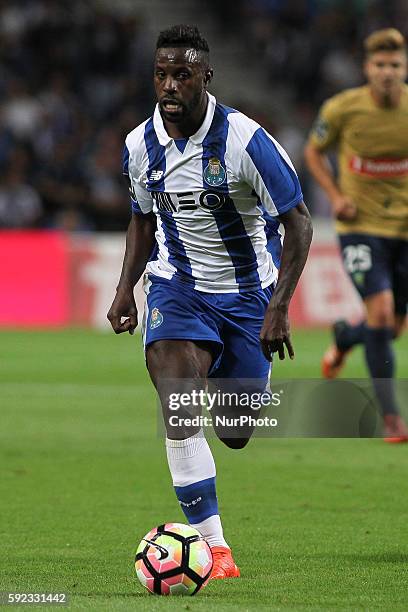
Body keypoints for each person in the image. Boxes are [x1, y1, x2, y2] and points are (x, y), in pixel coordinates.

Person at [108, 24, 312, 579]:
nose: (169, 85)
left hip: (249, 298)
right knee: (178, 403)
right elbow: (141, 221)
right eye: (161, 74)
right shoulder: (139, 145)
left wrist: (279, 307)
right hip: (177, 289)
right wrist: (126, 288)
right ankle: (214, 548)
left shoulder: (247, 142)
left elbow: (298, 224)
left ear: (205, 76)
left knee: (236, 430)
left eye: (181, 74)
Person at [304, 28, 408, 442]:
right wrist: (334, 196)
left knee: (392, 327)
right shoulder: (343, 108)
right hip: (360, 227)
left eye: (395, 65)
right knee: (381, 313)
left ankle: (346, 337)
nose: (387, 72)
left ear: (404, 68)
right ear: (368, 68)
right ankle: (392, 418)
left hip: (404, 229)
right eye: (380, 65)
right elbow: (314, 151)